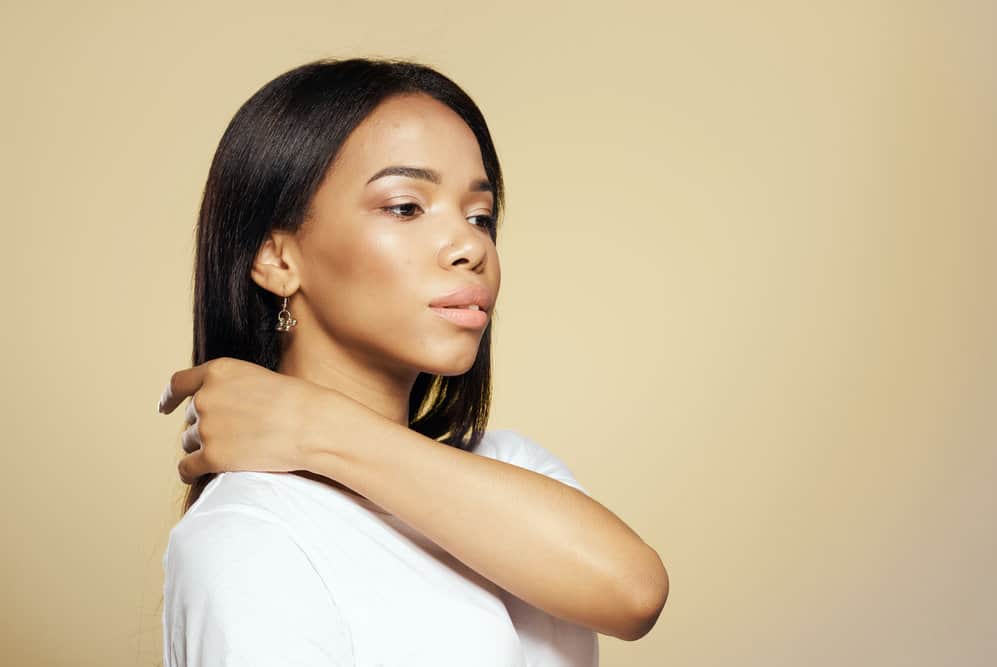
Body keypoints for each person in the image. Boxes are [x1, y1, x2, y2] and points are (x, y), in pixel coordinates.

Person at [159, 57, 668, 666]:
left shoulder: (509, 467)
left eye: (481, 216)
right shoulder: (249, 535)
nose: (470, 246)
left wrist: (313, 428)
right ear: (277, 257)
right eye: (405, 207)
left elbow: (634, 593)